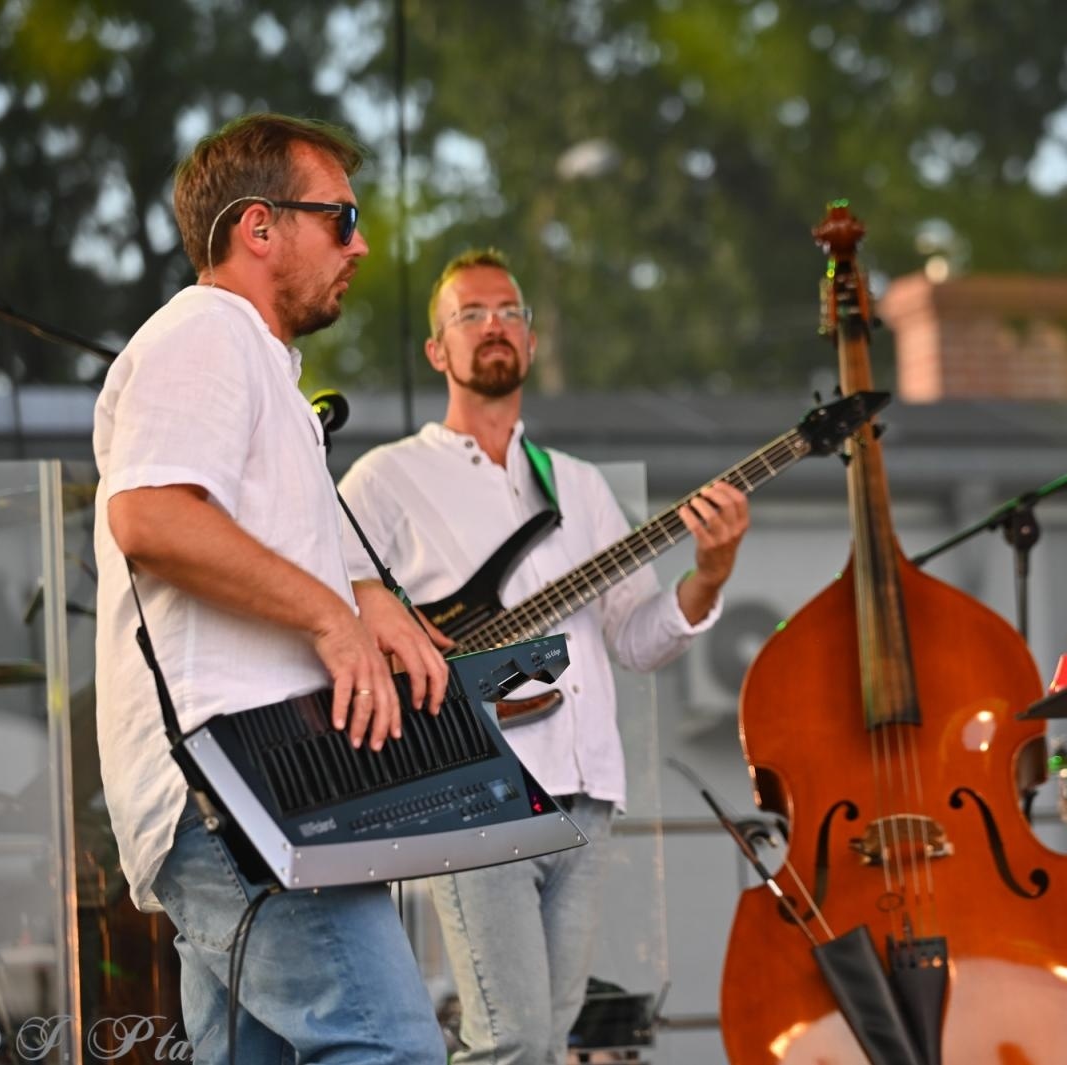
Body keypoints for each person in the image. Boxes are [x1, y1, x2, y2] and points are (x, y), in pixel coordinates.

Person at [93, 113, 449, 1063]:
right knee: (389, 1045)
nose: (362, 243)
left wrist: (369, 596)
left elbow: (289, 533)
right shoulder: (207, 331)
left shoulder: (267, 375)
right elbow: (152, 516)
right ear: (259, 227)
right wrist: (330, 615)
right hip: (241, 788)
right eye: (342, 216)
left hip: (247, 786)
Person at [337, 247, 750, 1064]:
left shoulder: (581, 486)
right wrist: (397, 623)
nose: (495, 325)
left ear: (530, 342)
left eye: (510, 313)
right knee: (512, 1039)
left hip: (585, 790)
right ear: (438, 350)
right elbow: (329, 590)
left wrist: (711, 574)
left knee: (543, 1042)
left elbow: (636, 637)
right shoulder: (386, 478)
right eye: (472, 314)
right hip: (470, 781)